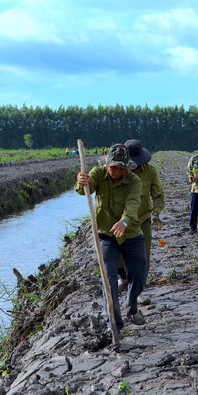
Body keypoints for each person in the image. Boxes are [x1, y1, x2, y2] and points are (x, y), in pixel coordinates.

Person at [75, 144, 146, 330]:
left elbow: (132, 205)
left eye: (120, 168)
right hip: (106, 235)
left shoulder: (134, 181)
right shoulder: (98, 173)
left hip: (130, 233)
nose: (115, 171)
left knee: (138, 275)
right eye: (112, 167)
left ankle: (132, 308)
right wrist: (81, 182)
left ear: (127, 167)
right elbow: (84, 190)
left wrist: (124, 222)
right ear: (106, 164)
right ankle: (115, 322)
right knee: (108, 278)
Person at [120, 139, 165, 306]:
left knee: (142, 258)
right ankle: (124, 279)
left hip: (143, 220)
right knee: (119, 256)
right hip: (121, 220)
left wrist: (156, 213)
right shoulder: (119, 170)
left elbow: (158, 195)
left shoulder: (150, 171)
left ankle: (137, 292)